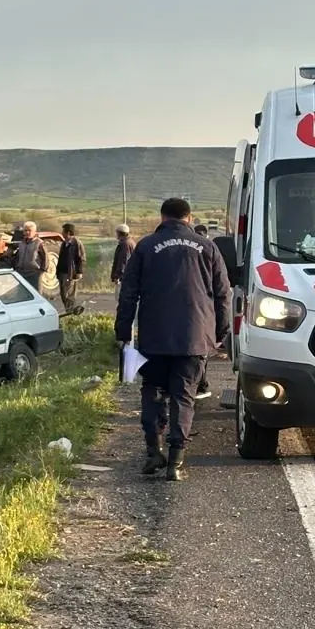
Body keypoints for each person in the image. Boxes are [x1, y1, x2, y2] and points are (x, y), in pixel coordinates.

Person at [115, 197, 231, 482]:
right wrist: (221, 332)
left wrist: (123, 332)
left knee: (152, 390)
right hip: (194, 336)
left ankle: (154, 451)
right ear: (189, 218)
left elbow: (128, 293)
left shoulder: (145, 246)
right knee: (184, 395)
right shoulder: (208, 247)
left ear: (163, 217)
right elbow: (222, 294)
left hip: (154, 335)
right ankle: (175, 461)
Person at [56, 223, 85, 312]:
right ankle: (68, 310)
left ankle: (71, 312)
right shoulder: (64, 243)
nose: (62, 233)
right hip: (62, 272)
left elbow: (81, 258)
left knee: (69, 294)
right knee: (63, 294)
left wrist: (79, 272)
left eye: (63, 231)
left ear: (68, 233)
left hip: (70, 273)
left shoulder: (76, 243)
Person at [12, 221, 48, 291]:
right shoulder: (21, 243)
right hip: (21, 273)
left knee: (36, 294)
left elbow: (45, 258)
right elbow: (18, 256)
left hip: (34, 274)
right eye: (25, 230)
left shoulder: (39, 243)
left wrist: (41, 271)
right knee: (22, 293)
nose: (27, 232)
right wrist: (16, 267)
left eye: (29, 230)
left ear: (34, 231)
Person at [111, 223, 135, 301]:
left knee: (120, 300)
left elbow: (123, 261)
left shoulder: (125, 244)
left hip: (123, 278)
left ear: (119, 233)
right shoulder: (130, 242)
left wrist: (118, 276)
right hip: (129, 276)